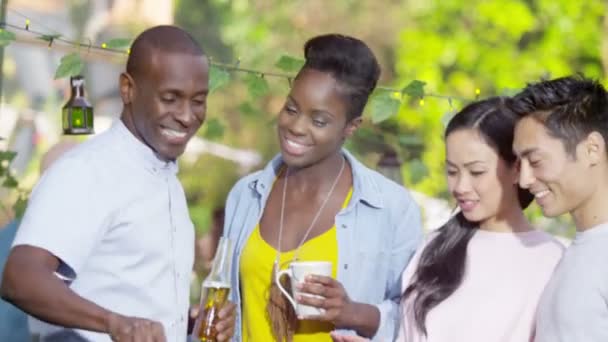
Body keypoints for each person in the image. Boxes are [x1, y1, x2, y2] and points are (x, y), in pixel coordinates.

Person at [1, 26, 236, 342]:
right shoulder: (88, 171)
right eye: (171, 98)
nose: (186, 116)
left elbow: (143, 308)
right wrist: (113, 322)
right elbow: (19, 277)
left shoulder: (168, 181)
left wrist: (197, 327)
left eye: (198, 101)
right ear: (127, 89)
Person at [222, 33, 423, 342]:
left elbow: (416, 320)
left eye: (319, 121)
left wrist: (354, 312)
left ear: (350, 127)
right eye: (291, 109)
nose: (297, 127)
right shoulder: (246, 195)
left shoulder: (391, 208)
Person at [334, 97, 565, 342]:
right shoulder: (435, 245)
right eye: (452, 171)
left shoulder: (549, 260)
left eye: (476, 172)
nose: (461, 186)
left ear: (517, 168)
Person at [510, 75, 608, 341]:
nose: (524, 179)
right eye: (520, 162)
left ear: (592, 149)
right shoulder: (577, 252)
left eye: (536, 160)